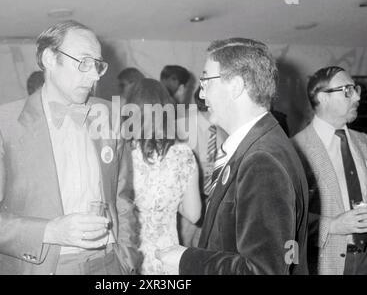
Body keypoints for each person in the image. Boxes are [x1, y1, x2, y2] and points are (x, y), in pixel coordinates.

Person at [0, 20, 141, 275]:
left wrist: (126, 261)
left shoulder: (109, 114)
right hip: (45, 267)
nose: (94, 75)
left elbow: (121, 197)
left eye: (98, 65)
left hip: (109, 265)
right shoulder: (2, 123)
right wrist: (51, 231)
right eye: (84, 62)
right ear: (49, 59)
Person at [157, 37, 309, 275]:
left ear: (236, 86)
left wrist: (187, 260)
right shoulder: (257, 145)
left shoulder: (262, 160)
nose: (202, 94)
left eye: (206, 81)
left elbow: (262, 271)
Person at [292, 66, 367, 275]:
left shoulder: (364, 142)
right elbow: (287, 217)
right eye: (347, 91)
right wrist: (332, 226)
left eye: (356, 90)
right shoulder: (294, 149)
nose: (357, 98)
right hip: (326, 263)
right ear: (322, 97)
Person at [125, 78, 201, 274]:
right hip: (166, 260)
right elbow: (194, 214)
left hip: (129, 257)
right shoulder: (183, 154)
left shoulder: (121, 152)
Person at [177, 87, 227, 247]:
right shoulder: (182, 127)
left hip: (215, 201)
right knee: (184, 245)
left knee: (204, 247)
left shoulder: (225, 128)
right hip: (189, 201)